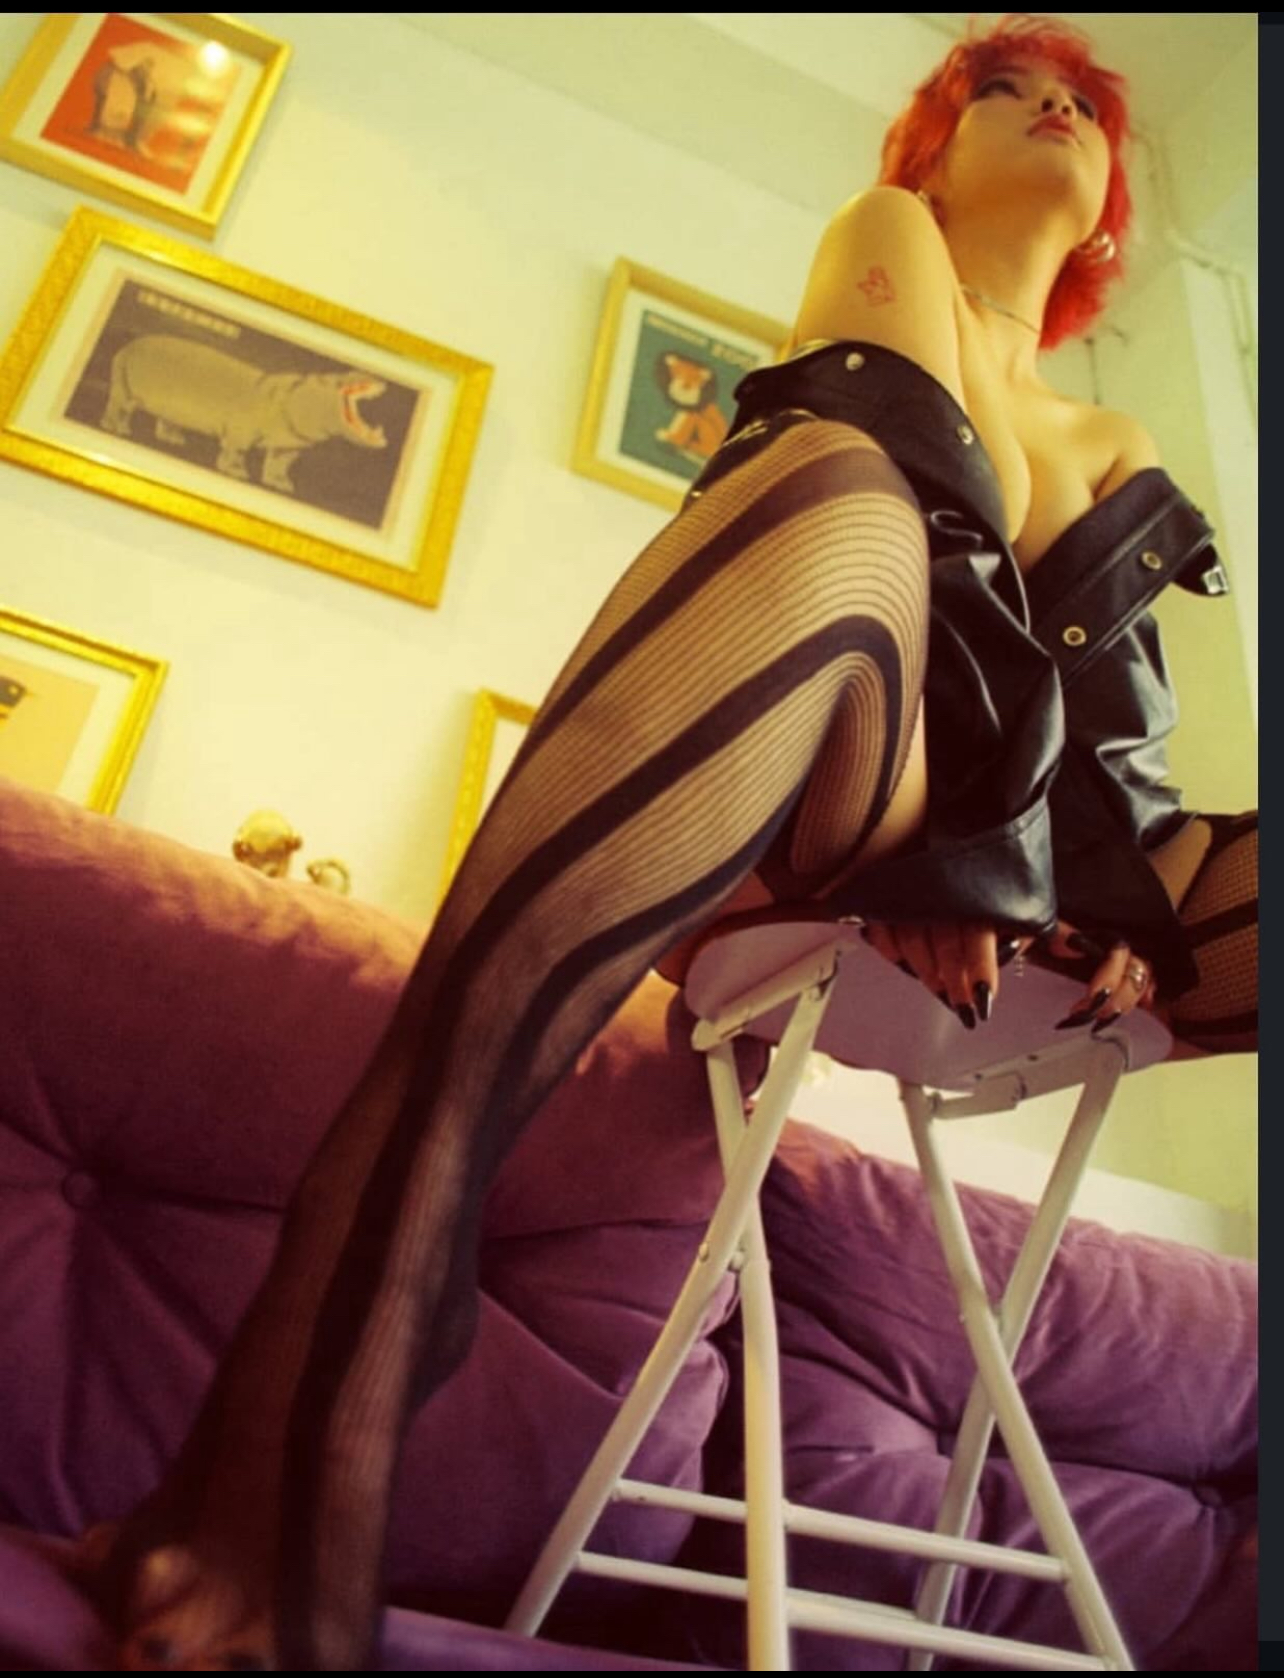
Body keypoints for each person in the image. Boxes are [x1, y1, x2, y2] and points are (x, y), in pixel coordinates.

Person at [78, 13, 1257, 1670]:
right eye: (1004, 89)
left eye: (1080, 103)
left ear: (1114, 208)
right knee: (840, 483)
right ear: (932, 151)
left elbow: (1117, 738)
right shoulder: (890, 237)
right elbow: (928, 516)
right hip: (863, 793)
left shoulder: (1118, 441)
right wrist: (964, 852)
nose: (1052, 107)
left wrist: (1113, 903)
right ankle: (368, 1303)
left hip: (1037, 905)